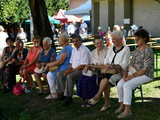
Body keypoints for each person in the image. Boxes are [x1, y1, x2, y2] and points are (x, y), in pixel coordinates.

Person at [88, 31, 130, 112]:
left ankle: (101, 98)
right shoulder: (111, 48)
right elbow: (106, 60)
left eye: (114, 39)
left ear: (120, 39)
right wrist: (109, 66)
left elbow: (124, 65)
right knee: (105, 78)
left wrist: (112, 66)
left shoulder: (126, 49)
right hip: (109, 71)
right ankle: (103, 100)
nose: (113, 41)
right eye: (112, 39)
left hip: (120, 72)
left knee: (105, 79)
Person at [116, 29, 154, 119]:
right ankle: (122, 105)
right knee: (120, 84)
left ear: (144, 39)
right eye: (135, 39)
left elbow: (145, 69)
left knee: (127, 85)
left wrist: (131, 77)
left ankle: (127, 111)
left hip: (146, 75)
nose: (135, 40)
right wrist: (125, 74)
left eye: (137, 39)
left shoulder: (148, 51)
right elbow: (130, 64)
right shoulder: (137, 49)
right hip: (133, 72)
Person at [57, 34, 91, 105]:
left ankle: (69, 97)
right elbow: (71, 63)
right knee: (60, 73)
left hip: (84, 70)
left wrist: (71, 70)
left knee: (69, 76)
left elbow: (83, 65)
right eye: (73, 41)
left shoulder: (84, 50)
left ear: (80, 41)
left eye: (76, 41)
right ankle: (62, 93)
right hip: (75, 68)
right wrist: (68, 70)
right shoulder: (74, 49)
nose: (75, 43)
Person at [77, 35, 108, 107]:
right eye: (97, 43)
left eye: (100, 43)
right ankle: (85, 99)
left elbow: (105, 65)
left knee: (90, 79)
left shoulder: (107, 50)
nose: (99, 45)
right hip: (94, 70)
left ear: (103, 42)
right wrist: (89, 66)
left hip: (103, 71)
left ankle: (93, 99)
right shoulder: (93, 52)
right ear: (94, 44)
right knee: (82, 79)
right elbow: (91, 63)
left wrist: (91, 66)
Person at [45, 34, 72, 99]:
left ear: (63, 40)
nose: (58, 40)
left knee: (49, 75)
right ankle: (56, 92)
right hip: (62, 67)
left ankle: (54, 93)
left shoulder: (66, 49)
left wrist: (48, 64)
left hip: (65, 68)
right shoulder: (66, 48)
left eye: (59, 39)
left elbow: (60, 61)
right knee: (49, 73)